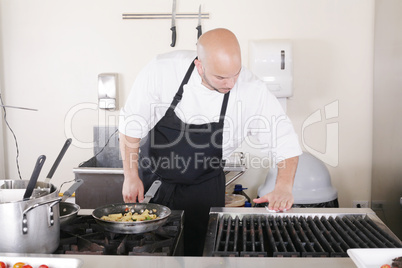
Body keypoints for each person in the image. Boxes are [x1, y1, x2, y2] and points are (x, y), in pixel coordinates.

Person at [118, 28, 302, 256]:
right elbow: (130, 126)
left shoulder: (251, 90)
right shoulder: (162, 70)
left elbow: (284, 138)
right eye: (221, 77)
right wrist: (130, 175)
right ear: (200, 66)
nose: (231, 83)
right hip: (154, 185)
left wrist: (283, 186)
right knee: (147, 253)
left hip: (204, 190)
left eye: (236, 73)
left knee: (201, 255)